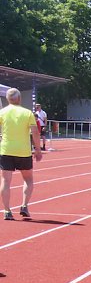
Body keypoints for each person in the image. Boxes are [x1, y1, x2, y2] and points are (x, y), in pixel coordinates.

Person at [0, 88, 42, 220]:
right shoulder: (27, 113)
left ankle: (7, 211)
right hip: (23, 151)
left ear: (7, 99)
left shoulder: (2, 112)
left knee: (6, 181)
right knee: (28, 179)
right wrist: (38, 149)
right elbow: (35, 132)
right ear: (19, 98)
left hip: (6, 150)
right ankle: (24, 205)